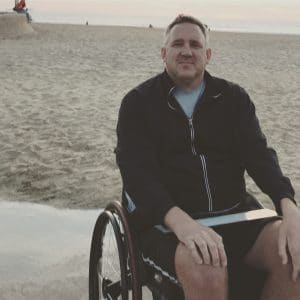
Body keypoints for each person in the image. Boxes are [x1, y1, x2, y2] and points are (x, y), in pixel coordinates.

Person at [115, 14, 300, 300]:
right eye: (178, 44)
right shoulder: (138, 103)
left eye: (195, 45)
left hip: (234, 213)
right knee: (207, 264)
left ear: (208, 55)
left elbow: (260, 157)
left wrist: (288, 207)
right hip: (166, 224)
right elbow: (137, 176)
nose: (187, 50)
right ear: (164, 53)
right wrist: (183, 223)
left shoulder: (233, 99)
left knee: (293, 254)